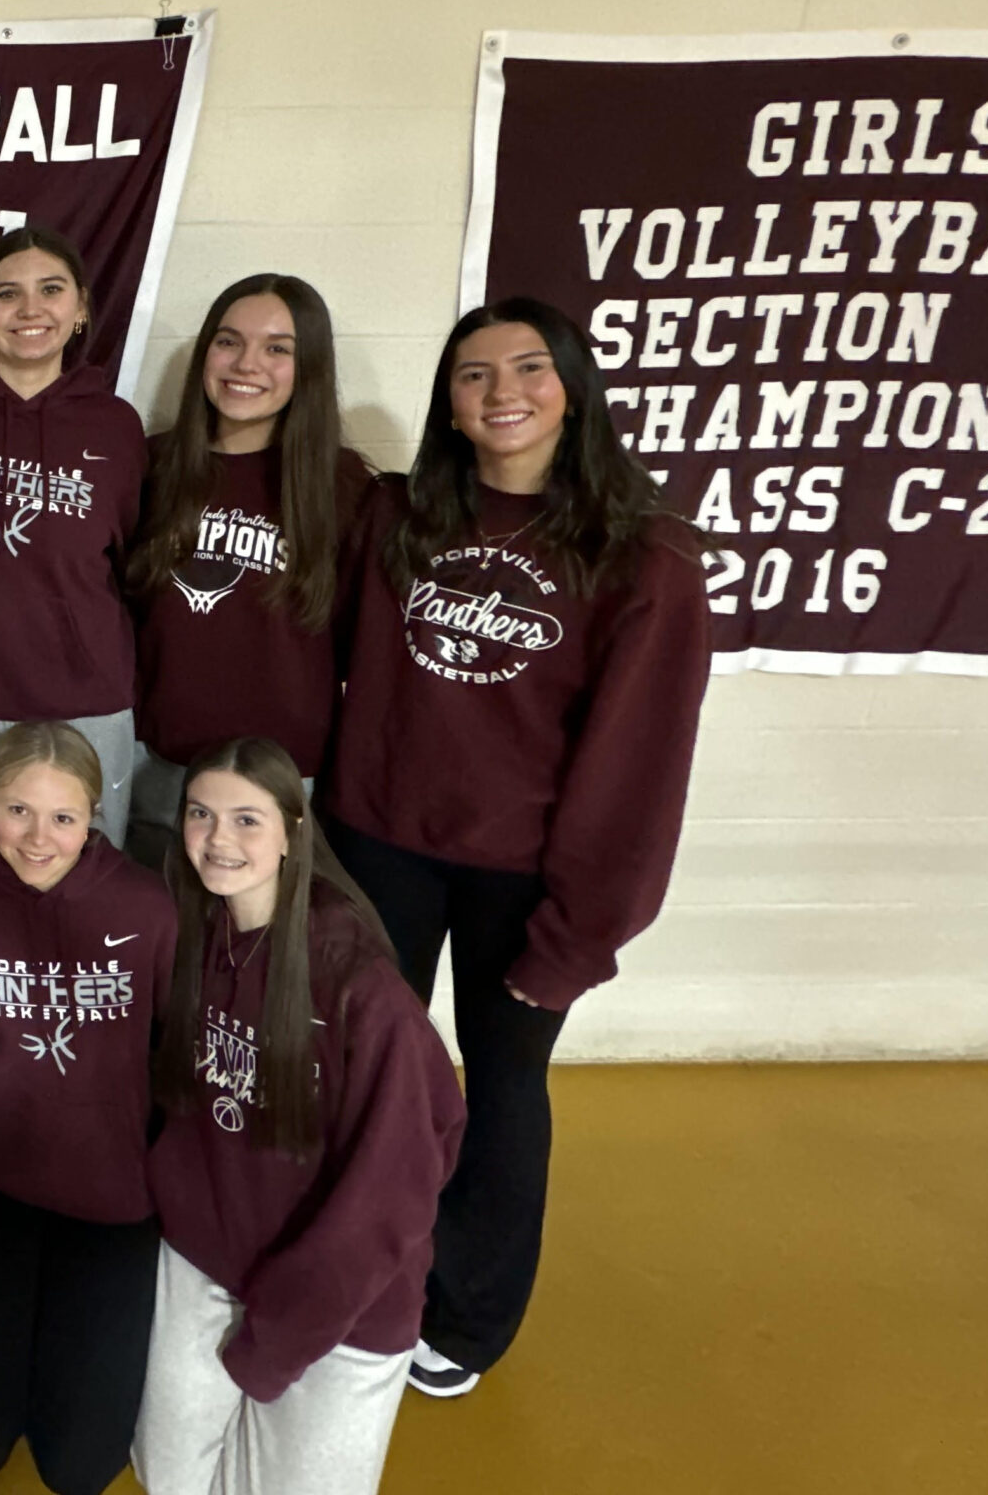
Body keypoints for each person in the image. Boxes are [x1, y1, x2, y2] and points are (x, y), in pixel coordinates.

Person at [319, 296, 711, 1397]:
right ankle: (354, 1275)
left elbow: (639, 773)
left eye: (528, 369)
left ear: (574, 389)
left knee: (498, 1093)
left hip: (522, 874)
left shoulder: (646, 563)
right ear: (447, 403)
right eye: (473, 374)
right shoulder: (397, 517)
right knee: (363, 1072)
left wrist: (579, 934)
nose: (501, 393)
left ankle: (465, 1319)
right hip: (377, 840)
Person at [133, 739, 464, 1495]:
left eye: (247, 820)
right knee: (169, 1478)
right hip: (208, 1260)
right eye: (201, 815)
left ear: (292, 831)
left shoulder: (360, 987)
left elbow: (396, 1191)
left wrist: (278, 1342)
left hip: (340, 1309)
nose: (219, 840)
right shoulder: (189, 934)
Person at [0, 724, 176, 1495]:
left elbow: (167, 1042)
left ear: (95, 814)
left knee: (81, 1466)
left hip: (109, 1190)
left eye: (64, 818)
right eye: (17, 812)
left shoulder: (146, 903)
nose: (38, 839)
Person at [0, 226, 146, 857]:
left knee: (82, 887)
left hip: (86, 703)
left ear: (83, 307)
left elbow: (130, 563)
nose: (30, 309)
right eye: (7, 294)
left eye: (51, 290)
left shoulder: (117, 426)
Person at [128, 275, 373, 859]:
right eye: (228, 341)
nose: (247, 364)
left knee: (261, 949)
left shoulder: (345, 486)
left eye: (278, 348)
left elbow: (359, 643)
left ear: (308, 365)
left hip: (283, 782)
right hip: (158, 770)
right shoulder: (149, 464)